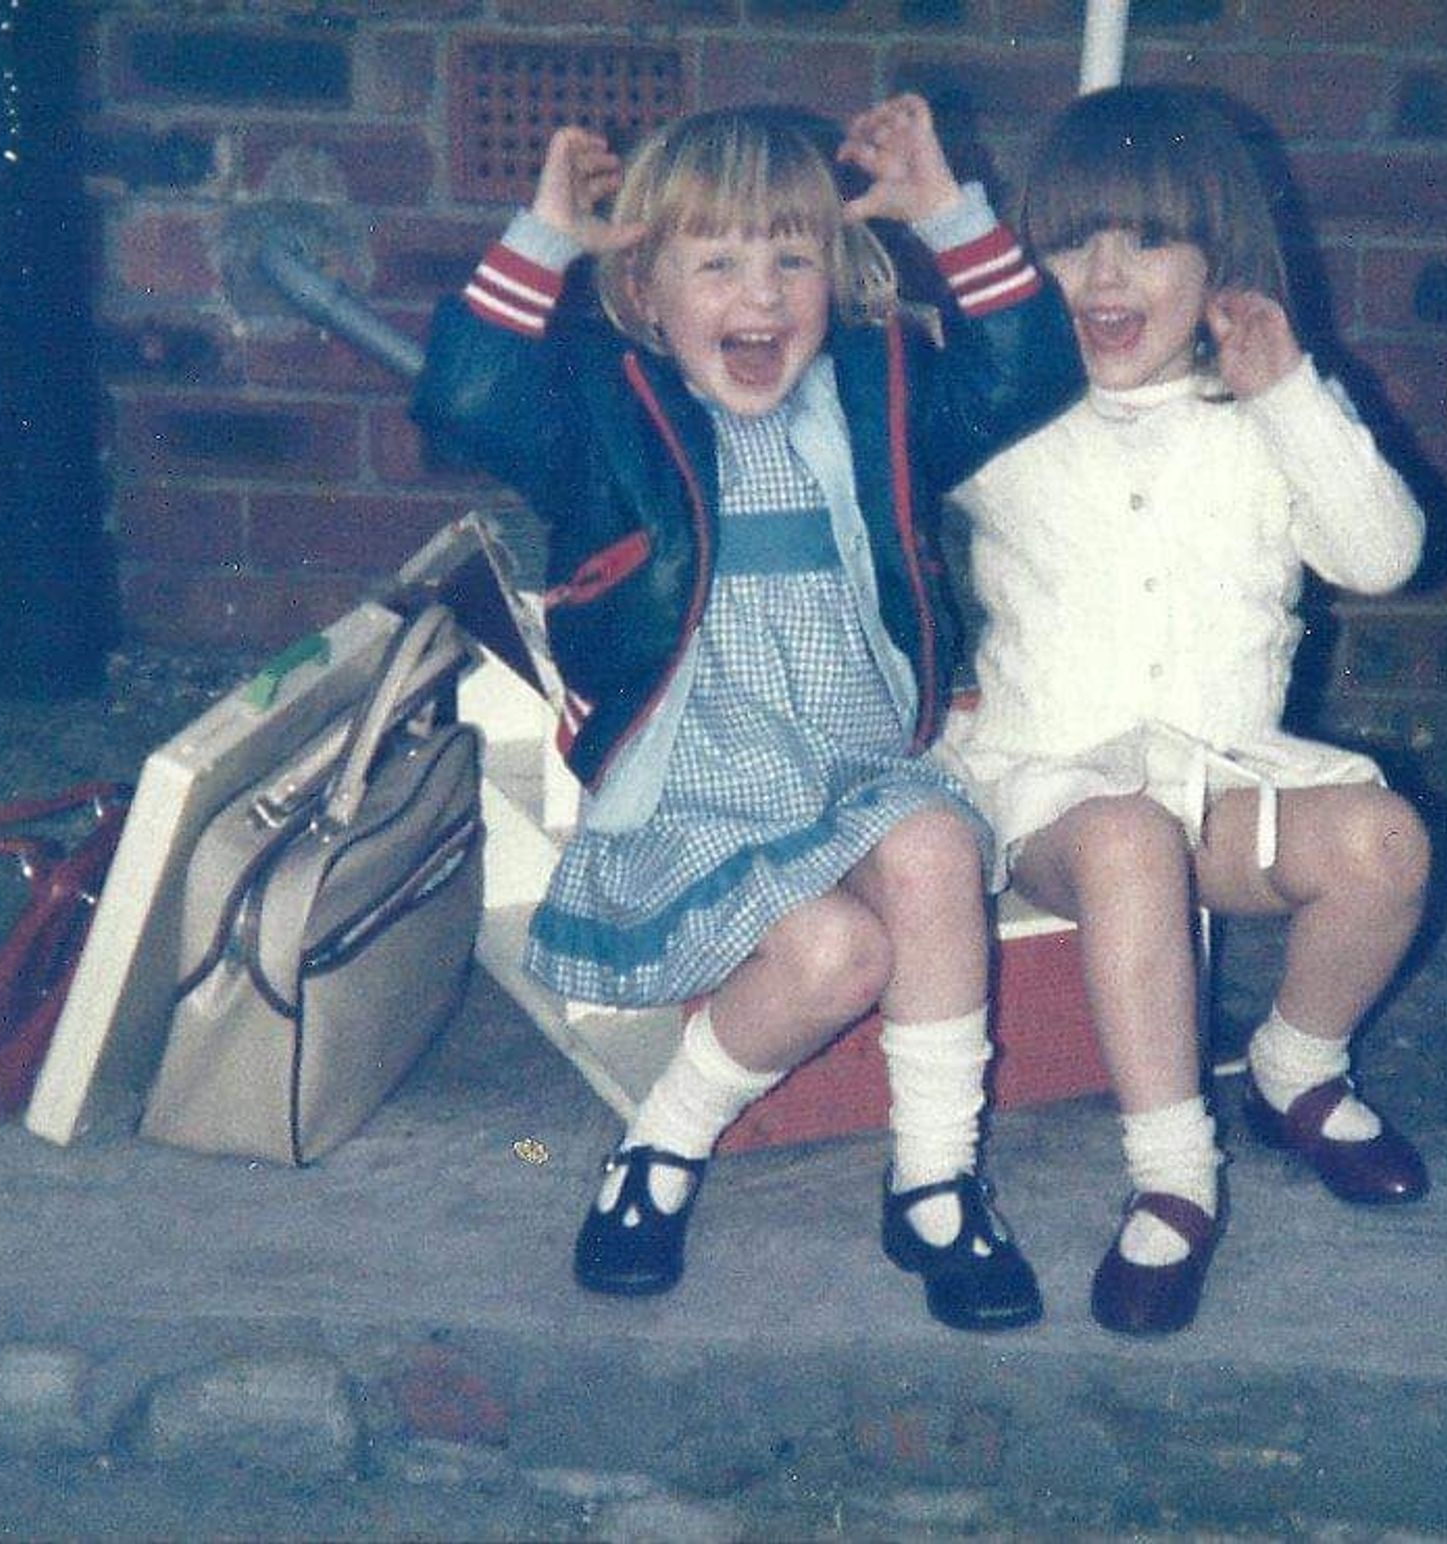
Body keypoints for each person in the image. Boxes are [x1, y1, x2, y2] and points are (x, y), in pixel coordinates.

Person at [411, 96, 1082, 1331]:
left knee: (936, 845)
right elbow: (463, 399)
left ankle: (934, 1180)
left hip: (850, 763)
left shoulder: (875, 390)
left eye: (792, 256)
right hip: (694, 778)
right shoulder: (601, 416)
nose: (759, 295)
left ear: (836, 275)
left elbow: (1027, 369)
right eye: (714, 261)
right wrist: (546, 234)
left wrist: (945, 210)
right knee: (834, 953)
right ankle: (663, 1144)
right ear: (643, 292)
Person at [938, 84, 1434, 1336]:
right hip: (1055, 794)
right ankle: (1172, 1175)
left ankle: (1293, 1070)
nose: (1103, 272)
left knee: (1385, 843)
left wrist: (1287, 397)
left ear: (1218, 261)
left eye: (1147, 240)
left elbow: (1380, 555)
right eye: (1069, 240)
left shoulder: (1261, 418)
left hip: (1221, 781)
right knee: (1123, 837)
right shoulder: (1007, 422)